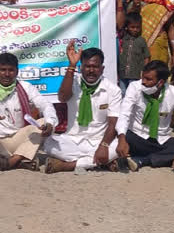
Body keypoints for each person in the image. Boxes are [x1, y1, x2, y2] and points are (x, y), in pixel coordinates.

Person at [0, 52, 57, 171]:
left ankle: (11, 161)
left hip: (16, 140)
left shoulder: (26, 87)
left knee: (45, 123)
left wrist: (49, 123)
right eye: (2, 70)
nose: (7, 74)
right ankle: (21, 159)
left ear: (17, 71)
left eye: (11, 70)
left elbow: (45, 104)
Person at [43, 43, 122, 173]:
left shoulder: (113, 90)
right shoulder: (73, 82)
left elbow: (113, 122)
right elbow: (62, 97)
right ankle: (100, 162)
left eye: (95, 67)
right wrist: (71, 66)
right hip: (72, 140)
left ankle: (67, 166)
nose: (91, 70)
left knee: (119, 146)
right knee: (48, 144)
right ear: (81, 67)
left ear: (102, 69)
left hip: (99, 141)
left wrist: (103, 146)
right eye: (87, 66)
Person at [116, 60, 174, 170]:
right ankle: (159, 158)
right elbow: (124, 114)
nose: (143, 82)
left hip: (161, 140)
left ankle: (143, 160)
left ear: (161, 82)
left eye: (148, 79)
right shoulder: (134, 87)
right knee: (122, 134)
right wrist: (121, 138)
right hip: (136, 137)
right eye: (143, 77)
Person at [133, 0, 174, 66]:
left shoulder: (166, 5)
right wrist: (135, 5)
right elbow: (130, 20)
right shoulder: (137, 2)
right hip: (140, 45)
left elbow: (170, 29)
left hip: (159, 45)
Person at [118, 12, 150, 91]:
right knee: (122, 92)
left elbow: (147, 56)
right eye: (132, 27)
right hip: (122, 74)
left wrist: (144, 70)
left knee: (133, 93)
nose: (135, 29)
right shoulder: (123, 39)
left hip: (135, 75)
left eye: (137, 27)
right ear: (127, 27)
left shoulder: (141, 41)